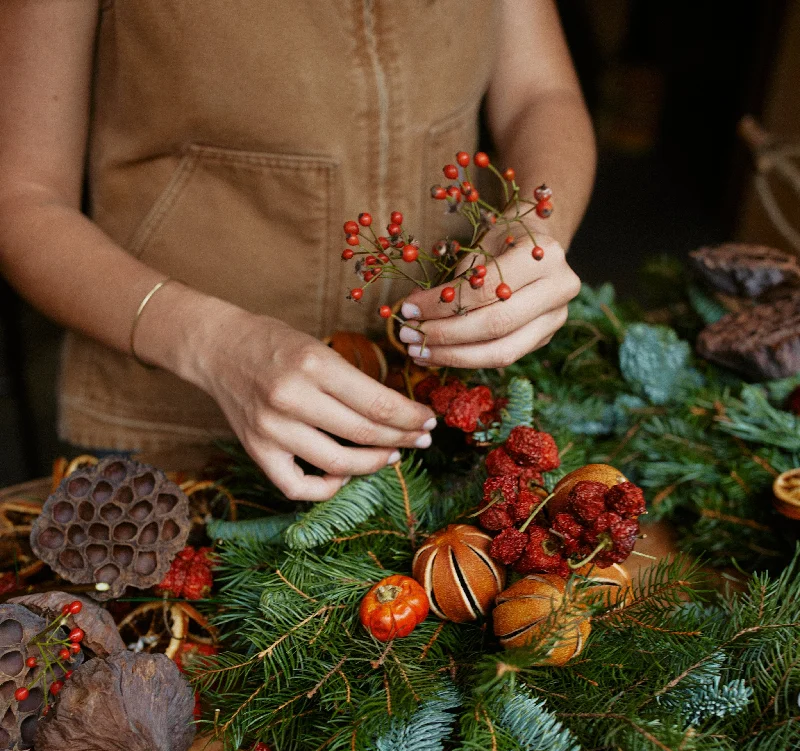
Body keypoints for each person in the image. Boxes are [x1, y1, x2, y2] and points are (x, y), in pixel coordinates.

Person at [0, 0, 594, 501]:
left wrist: (534, 230)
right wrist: (212, 345)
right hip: (174, 425)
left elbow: (539, 94)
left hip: (443, 399)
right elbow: (21, 198)